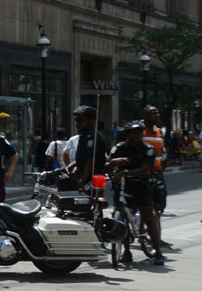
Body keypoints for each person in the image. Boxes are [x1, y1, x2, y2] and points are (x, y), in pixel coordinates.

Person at [108, 121, 164, 266]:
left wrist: (125, 172)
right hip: (122, 187)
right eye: (133, 133)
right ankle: (126, 251)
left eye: (139, 133)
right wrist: (114, 161)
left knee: (149, 218)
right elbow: (106, 165)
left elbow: (145, 169)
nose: (137, 135)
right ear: (127, 135)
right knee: (121, 219)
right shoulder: (119, 148)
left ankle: (158, 252)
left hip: (140, 186)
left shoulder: (148, 149)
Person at [66, 105, 106, 186]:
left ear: (91, 120)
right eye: (76, 120)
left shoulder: (92, 136)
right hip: (83, 174)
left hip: (91, 179)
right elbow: (84, 157)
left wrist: (82, 181)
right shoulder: (84, 134)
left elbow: (90, 161)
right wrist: (73, 164)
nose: (78, 123)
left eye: (81, 120)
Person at [141, 105, 167, 213]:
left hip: (157, 171)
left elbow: (162, 150)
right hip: (141, 172)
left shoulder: (159, 131)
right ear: (145, 116)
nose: (157, 115)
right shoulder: (138, 130)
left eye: (157, 113)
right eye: (153, 113)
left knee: (161, 197)